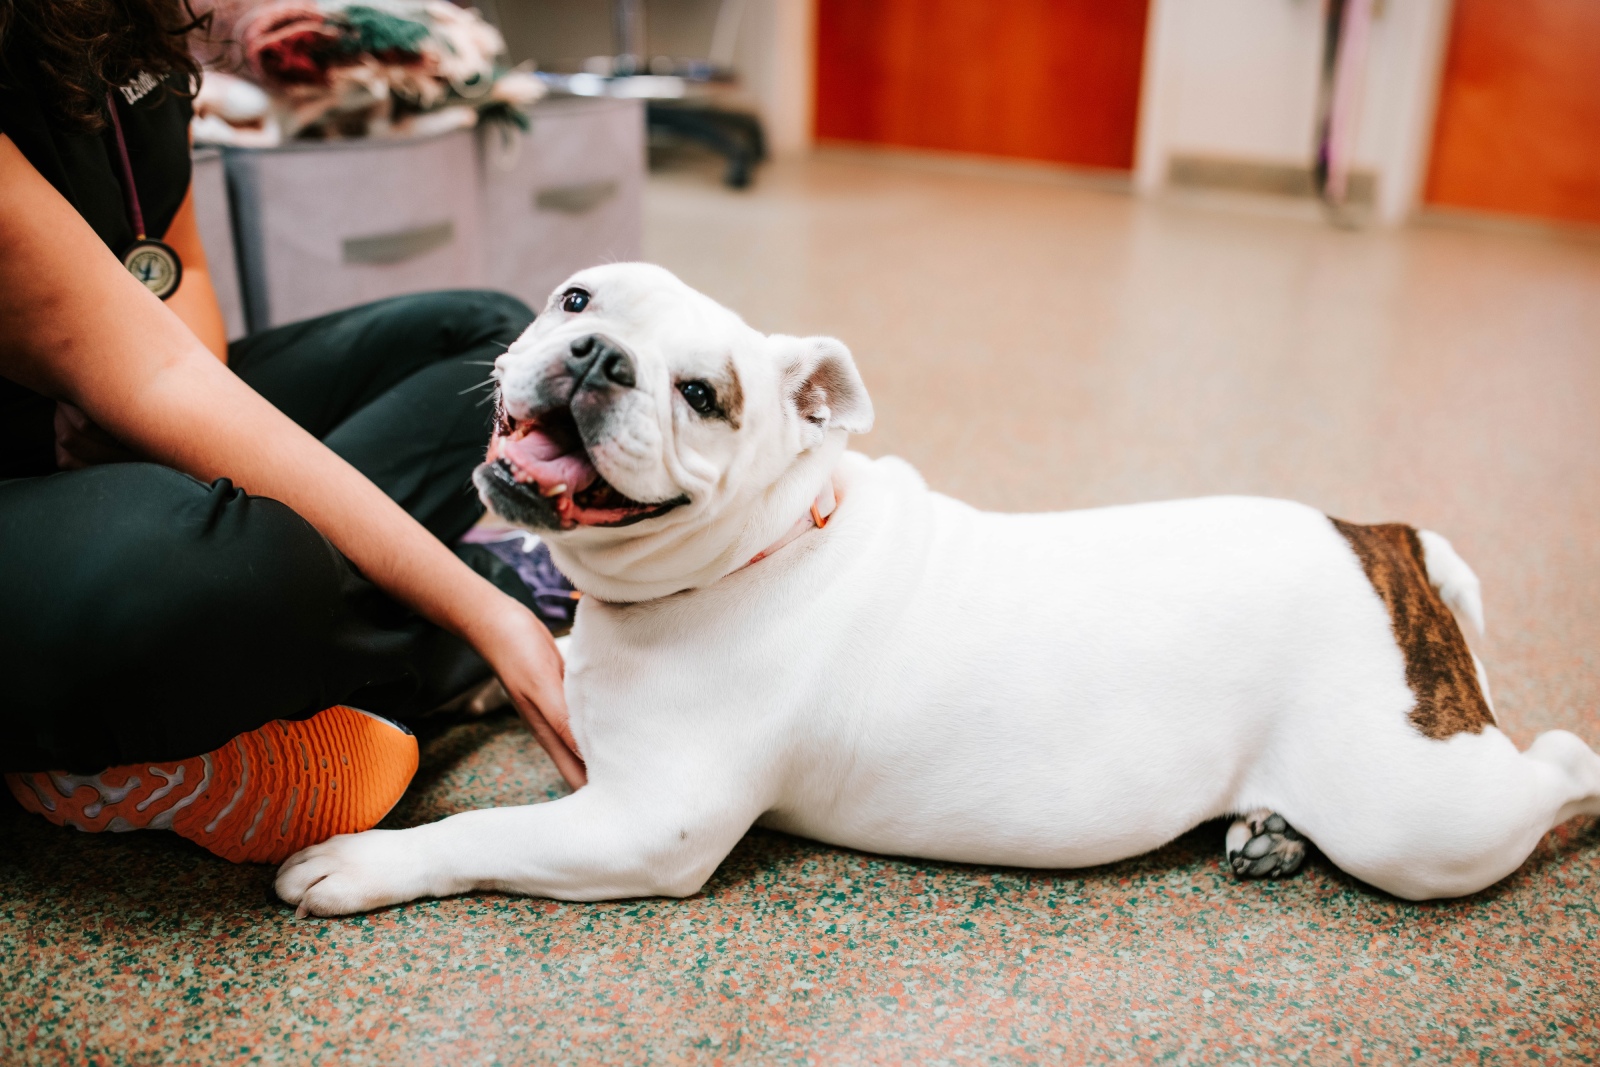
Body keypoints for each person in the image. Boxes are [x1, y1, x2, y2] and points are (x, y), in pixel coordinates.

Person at [0, 0, 584, 865]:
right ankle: (457, 609)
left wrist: (167, 449)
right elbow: (158, 381)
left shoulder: (126, 20)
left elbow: (178, 268)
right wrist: (490, 615)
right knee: (231, 563)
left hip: (131, 408)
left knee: (487, 343)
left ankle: (252, 680)